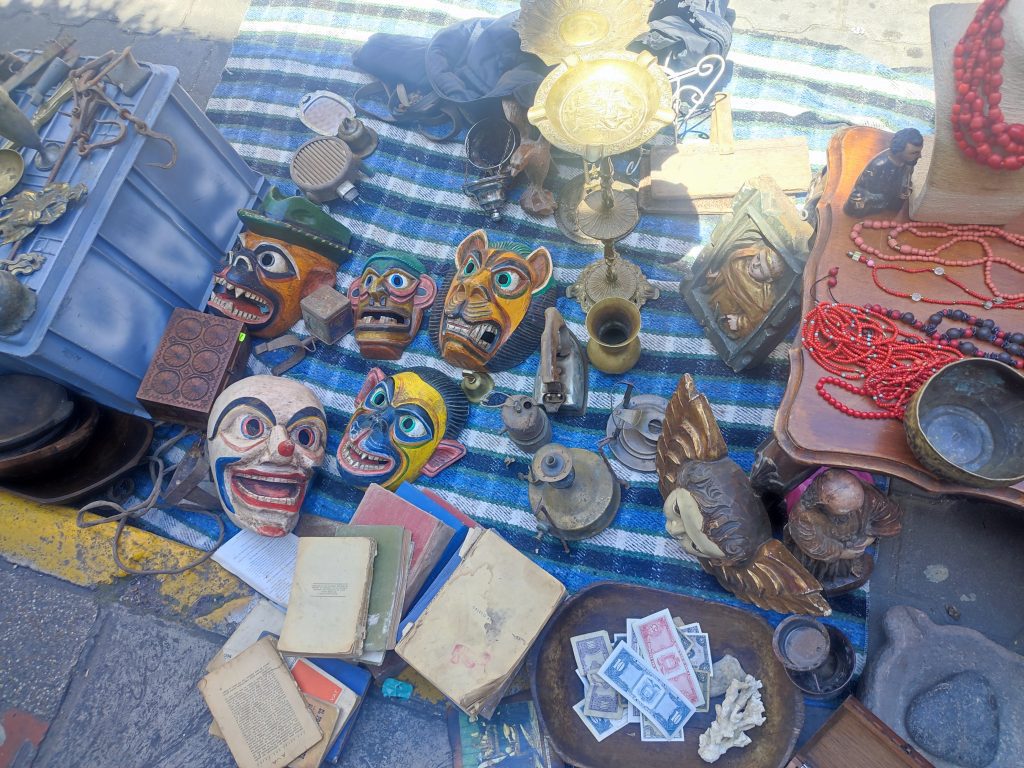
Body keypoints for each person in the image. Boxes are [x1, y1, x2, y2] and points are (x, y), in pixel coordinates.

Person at [702, 241, 786, 339]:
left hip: (728, 319)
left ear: (769, 279)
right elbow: (727, 272)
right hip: (716, 300)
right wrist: (716, 277)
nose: (755, 264)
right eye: (758, 258)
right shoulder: (739, 263)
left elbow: (757, 318)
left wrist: (739, 322)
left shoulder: (762, 297)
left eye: (761, 269)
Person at [844, 127, 924, 217]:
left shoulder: (908, 163)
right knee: (856, 204)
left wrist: (905, 188)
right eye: (914, 153)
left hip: (891, 200)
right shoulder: (879, 166)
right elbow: (869, 191)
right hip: (875, 199)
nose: (920, 156)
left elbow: (906, 181)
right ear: (899, 151)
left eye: (919, 152)